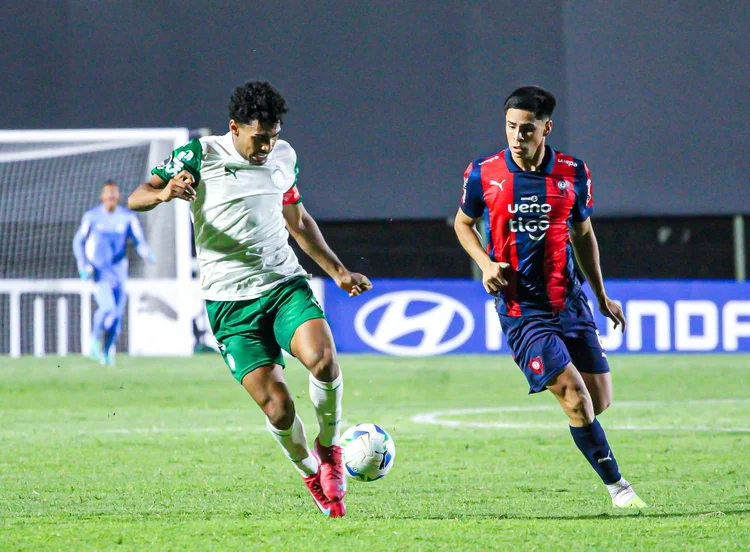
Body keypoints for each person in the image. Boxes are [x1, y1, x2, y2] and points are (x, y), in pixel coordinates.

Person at [128, 81, 372, 518]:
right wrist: (164, 193)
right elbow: (137, 196)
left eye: (273, 136)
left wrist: (338, 271)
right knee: (279, 407)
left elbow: (297, 220)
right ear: (234, 128)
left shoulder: (284, 155)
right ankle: (309, 471)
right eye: (259, 138)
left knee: (323, 360)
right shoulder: (198, 155)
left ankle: (331, 446)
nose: (267, 146)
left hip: (282, 284)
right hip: (229, 303)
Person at [454, 86, 646, 508]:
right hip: (523, 309)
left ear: (546, 128)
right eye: (510, 128)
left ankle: (570, 400)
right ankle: (620, 489)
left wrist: (601, 294)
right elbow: (463, 224)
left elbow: (583, 234)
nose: (517, 137)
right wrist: (486, 265)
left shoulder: (573, 172)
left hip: (570, 301)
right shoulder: (483, 173)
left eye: (527, 129)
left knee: (598, 401)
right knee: (576, 398)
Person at [73, 180, 155, 365]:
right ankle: (94, 340)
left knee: (116, 317)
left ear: (118, 197)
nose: (110, 197)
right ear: (102, 197)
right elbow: (78, 241)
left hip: (119, 273)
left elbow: (139, 240)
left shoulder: (127, 217)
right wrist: (83, 265)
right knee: (107, 307)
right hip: (99, 272)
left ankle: (107, 352)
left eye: (114, 194)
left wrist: (146, 252)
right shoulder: (92, 217)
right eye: (107, 194)